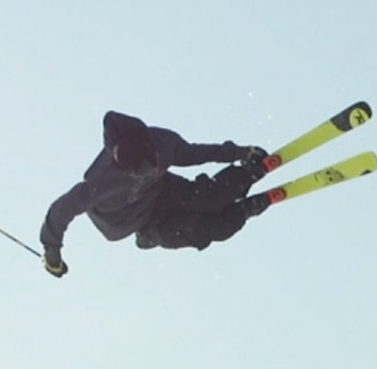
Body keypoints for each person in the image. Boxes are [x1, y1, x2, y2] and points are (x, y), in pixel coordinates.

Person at [39, 110, 274, 277]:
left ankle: (247, 175)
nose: (145, 171)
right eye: (137, 170)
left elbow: (194, 154)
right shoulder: (99, 182)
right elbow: (59, 212)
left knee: (207, 197)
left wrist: (241, 153)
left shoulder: (163, 142)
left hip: (158, 191)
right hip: (135, 221)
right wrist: (52, 256)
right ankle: (243, 211)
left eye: (150, 164)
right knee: (201, 230)